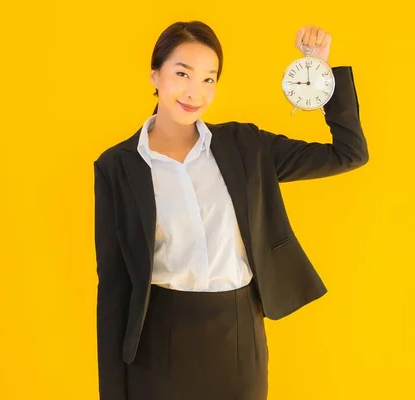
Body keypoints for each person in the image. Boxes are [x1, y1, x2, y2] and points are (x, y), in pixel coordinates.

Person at [93, 20, 368, 400]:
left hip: (238, 338)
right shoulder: (116, 167)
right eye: (182, 73)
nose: (196, 91)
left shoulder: (246, 147)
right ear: (155, 75)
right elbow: (113, 288)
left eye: (209, 79)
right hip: (157, 345)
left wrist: (319, 71)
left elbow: (348, 154)